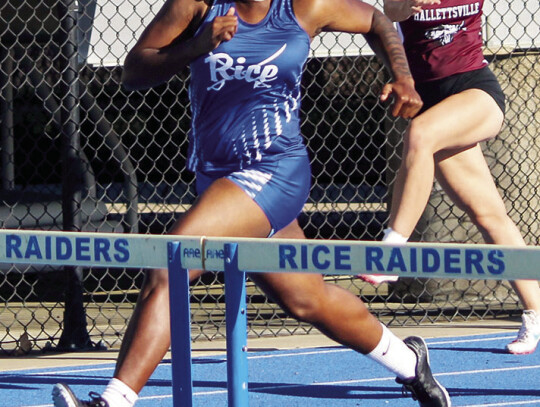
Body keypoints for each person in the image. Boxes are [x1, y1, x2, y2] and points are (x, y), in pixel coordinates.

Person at [51, 0, 451, 406]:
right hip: (217, 177)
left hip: (276, 169)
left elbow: (378, 21)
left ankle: (114, 401)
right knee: (307, 298)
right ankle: (408, 361)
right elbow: (134, 71)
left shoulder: (304, 6)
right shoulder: (196, 6)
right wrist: (194, 47)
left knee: (173, 260)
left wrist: (403, 76)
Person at [358, 0, 540, 355]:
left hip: (477, 91)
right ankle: (536, 312)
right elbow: (390, 12)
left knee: (420, 135)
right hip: (432, 99)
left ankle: (392, 249)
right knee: (488, 214)